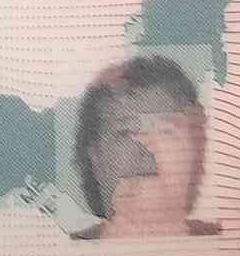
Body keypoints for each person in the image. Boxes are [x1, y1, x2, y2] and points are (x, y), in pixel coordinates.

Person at [70, 54, 218, 239]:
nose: (146, 150)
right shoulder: (64, 249)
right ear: (95, 157)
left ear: (195, 150)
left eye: (164, 131)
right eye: (125, 132)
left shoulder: (230, 242)